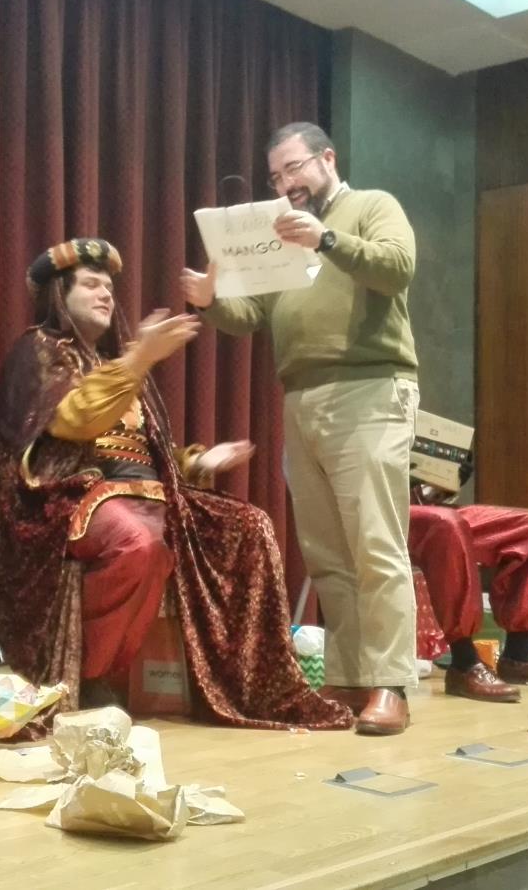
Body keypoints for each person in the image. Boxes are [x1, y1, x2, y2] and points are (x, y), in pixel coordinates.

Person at [0, 238, 352, 732]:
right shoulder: (39, 351)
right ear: (59, 295)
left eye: (109, 286)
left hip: (148, 495)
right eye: (90, 284)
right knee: (139, 544)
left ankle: (248, 684)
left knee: (251, 526)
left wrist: (198, 462)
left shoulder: (118, 361)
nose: (106, 294)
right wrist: (139, 358)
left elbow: (147, 456)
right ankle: (92, 675)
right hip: (66, 497)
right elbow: (75, 421)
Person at [181, 121, 420, 735]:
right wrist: (210, 299)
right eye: (275, 177)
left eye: (293, 169)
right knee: (327, 552)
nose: (285, 184)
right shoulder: (281, 235)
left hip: (370, 388)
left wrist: (327, 238)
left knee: (376, 544)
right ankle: (349, 675)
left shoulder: (372, 207)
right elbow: (249, 316)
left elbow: (397, 268)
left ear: (327, 159)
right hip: (301, 397)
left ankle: (391, 682)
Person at [410, 479, 528, 701]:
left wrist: (446, 478)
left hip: (421, 503)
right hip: (385, 511)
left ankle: (520, 656)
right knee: (447, 524)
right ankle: (463, 664)